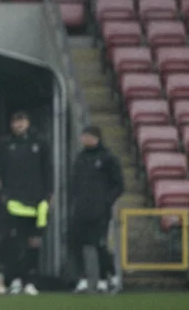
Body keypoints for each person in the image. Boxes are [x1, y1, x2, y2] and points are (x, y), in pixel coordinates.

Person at [0, 111, 53, 296]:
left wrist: (49, 194)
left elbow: (47, 169)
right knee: (15, 242)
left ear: (28, 122)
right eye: (15, 122)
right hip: (14, 201)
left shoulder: (40, 142)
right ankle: (16, 279)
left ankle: (30, 282)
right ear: (11, 125)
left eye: (22, 121)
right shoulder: (4, 144)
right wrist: (2, 192)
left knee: (34, 242)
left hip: (36, 201)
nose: (19, 125)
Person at [69, 125, 123, 294]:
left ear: (97, 138)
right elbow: (74, 183)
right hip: (81, 209)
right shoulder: (80, 158)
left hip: (99, 211)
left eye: (88, 136)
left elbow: (119, 185)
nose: (85, 139)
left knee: (99, 244)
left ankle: (107, 278)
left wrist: (106, 201)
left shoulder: (107, 158)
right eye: (83, 136)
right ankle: (82, 280)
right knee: (76, 243)